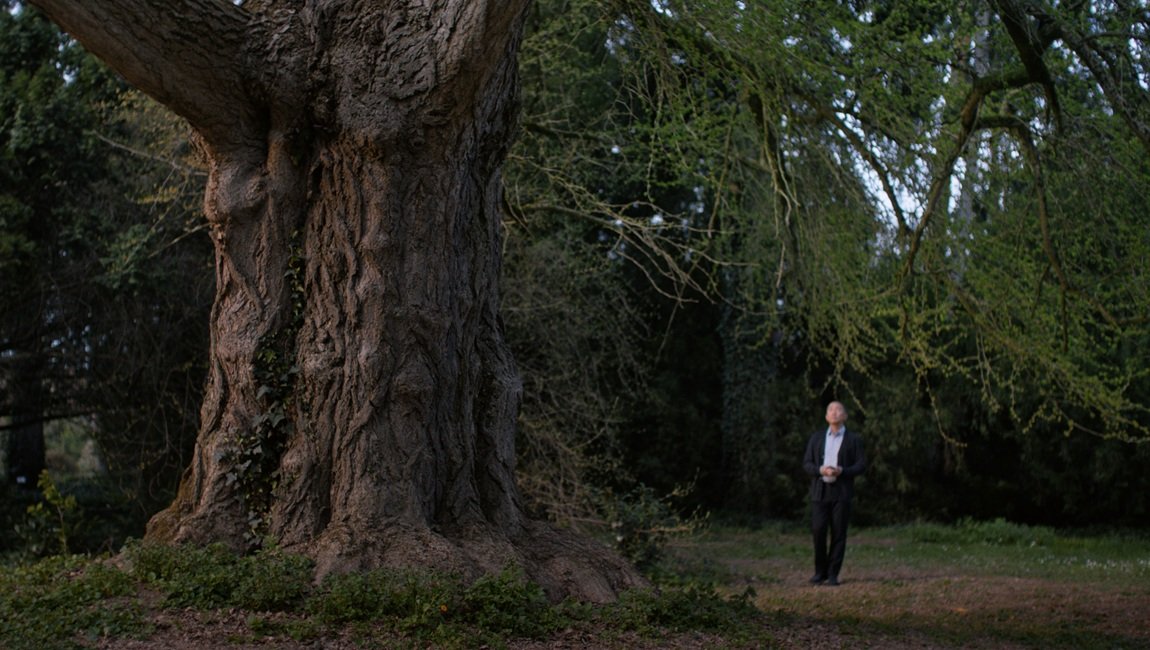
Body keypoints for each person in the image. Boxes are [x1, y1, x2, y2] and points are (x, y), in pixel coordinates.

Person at [802, 400, 866, 586]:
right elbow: (807, 463)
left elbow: (861, 465)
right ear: (826, 416)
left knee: (839, 533)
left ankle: (832, 574)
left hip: (842, 492)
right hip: (820, 491)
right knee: (818, 530)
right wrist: (821, 470)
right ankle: (819, 572)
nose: (834, 412)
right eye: (830, 409)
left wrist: (842, 471)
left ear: (845, 416)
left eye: (838, 409)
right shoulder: (817, 438)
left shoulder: (853, 440)